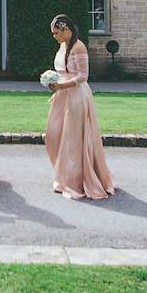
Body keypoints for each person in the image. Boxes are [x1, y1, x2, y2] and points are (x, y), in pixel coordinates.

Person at [44, 14, 114, 199]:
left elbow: (83, 76)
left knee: (73, 140)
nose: (55, 37)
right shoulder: (62, 45)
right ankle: (63, 175)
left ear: (66, 29)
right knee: (54, 135)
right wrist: (55, 84)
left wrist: (60, 86)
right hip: (62, 95)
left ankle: (75, 181)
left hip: (76, 96)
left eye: (56, 33)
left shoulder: (79, 46)